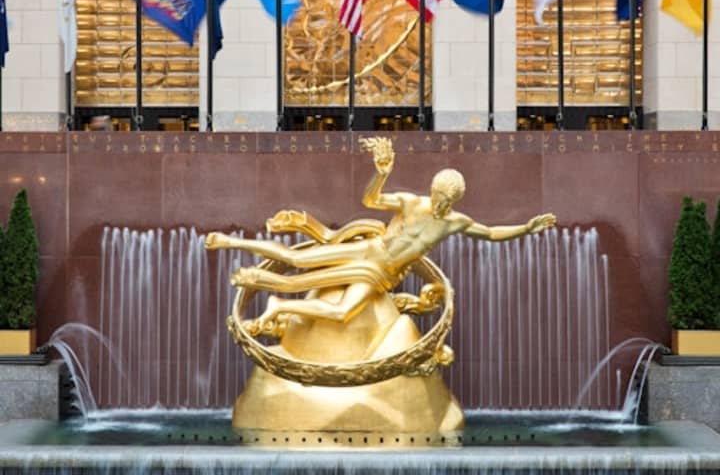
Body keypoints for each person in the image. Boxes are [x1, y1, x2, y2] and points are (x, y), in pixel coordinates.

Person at [206, 137, 555, 332]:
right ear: (432, 190)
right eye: (437, 197)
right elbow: (370, 200)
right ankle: (231, 243)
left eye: (446, 201)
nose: (439, 204)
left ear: (455, 201)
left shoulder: (455, 222)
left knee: (343, 312)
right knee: (295, 258)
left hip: (383, 275)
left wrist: (526, 228)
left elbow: (491, 233)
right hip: (368, 251)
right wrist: (381, 174)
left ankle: (279, 305)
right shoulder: (410, 203)